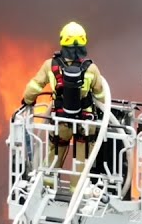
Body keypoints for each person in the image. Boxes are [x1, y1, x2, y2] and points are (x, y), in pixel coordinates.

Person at [20, 22, 108, 187]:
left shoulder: (50, 65)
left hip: (60, 120)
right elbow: (101, 96)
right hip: (85, 122)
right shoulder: (91, 68)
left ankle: (47, 185)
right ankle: (76, 190)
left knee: (55, 152)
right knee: (82, 159)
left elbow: (34, 86)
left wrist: (27, 100)